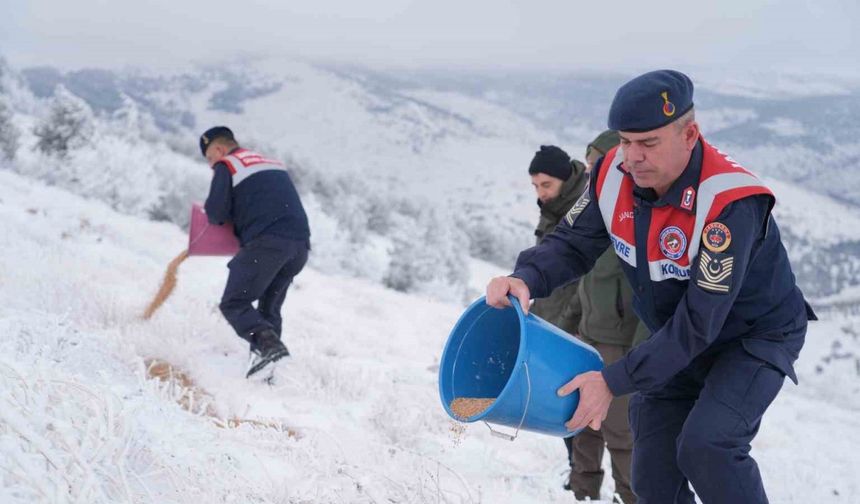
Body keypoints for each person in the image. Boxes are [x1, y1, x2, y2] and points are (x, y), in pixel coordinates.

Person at [487, 70, 816, 503]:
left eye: (648, 143)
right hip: (675, 336)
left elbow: (700, 322)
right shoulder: (609, 174)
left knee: (708, 446)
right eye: (625, 141)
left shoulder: (728, 203)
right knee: (652, 475)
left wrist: (612, 380)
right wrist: (525, 277)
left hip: (750, 337)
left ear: (690, 134)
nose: (633, 156)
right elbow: (571, 243)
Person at [562, 130, 647, 504]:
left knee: (621, 433)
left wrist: (637, 356)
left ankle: (630, 497)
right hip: (586, 338)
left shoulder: (635, 219)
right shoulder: (597, 217)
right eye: (591, 167)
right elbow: (586, 285)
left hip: (621, 346)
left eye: (599, 165)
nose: (592, 174)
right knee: (582, 422)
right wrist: (565, 329)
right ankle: (582, 492)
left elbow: (651, 297)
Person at [200, 126, 311, 379]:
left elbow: (216, 212)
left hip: (268, 244)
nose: (210, 164)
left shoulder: (227, 165)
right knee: (268, 310)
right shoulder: (271, 163)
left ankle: (271, 350)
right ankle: (267, 373)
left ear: (218, 149)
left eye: (209, 158)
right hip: (299, 247)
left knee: (234, 302)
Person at [528, 145, 588, 334]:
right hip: (545, 320)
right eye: (536, 186)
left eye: (546, 185)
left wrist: (569, 325)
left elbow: (587, 283)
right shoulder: (550, 211)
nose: (541, 193)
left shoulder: (586, 212)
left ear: (566, 180)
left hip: (571, 329)